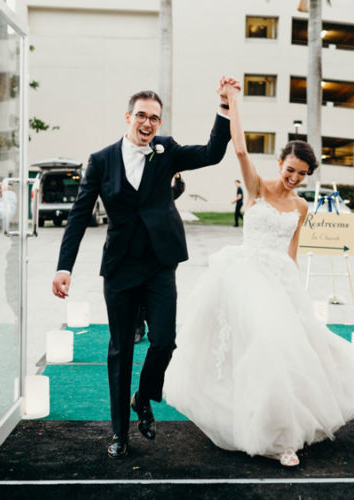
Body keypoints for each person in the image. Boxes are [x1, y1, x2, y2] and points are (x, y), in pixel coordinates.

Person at [163, 82, 354, 467]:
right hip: (243, 276)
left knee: (288, 349)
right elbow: (239, 148)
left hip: (279, 281)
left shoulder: (301, 207)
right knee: (257, 346)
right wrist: (232, 102)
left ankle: (283, 430)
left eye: (302, 174)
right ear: (280, 163)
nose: (294, 178)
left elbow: (292, 251)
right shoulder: (255, 187)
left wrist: (296, 296)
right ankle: (261, 429)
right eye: (291, 170)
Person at [52, 80, 235, 459]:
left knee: (165, 340)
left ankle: (143, 396)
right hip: (119, 268)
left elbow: (214, 153)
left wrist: (223, 106)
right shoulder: (100, 160)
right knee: (120, 351)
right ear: (128, 117)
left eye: (154, 117)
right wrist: (63, 267)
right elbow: (79, 215)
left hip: (159, 264)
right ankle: (119, 433)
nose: (148, 123)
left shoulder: (166, 151)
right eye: (141, 115)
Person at [134, 172, 185, 344]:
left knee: (159, 295)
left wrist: (177, 176)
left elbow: (178, 189)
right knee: (139, 293)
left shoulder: (166, 194)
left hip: (165, 251)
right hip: (141, 251)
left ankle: (156, 330)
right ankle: (138, 327)